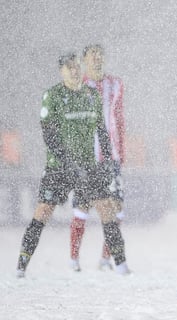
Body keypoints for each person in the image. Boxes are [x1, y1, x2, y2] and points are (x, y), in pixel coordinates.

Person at [15, 52, 130, 278]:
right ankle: (21, 265)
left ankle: (121, 265)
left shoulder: (91, 95)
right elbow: (49, 134)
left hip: (88, 167)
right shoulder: (53, 95)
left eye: (76, 66)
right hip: (59, 167)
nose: (74, 71)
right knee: (42, 212)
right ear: (62, 71)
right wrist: (67, 162)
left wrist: (106, 161)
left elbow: (102, 132)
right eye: (69, 68)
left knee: (108, 209)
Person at [69, 44, 126, 272]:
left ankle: (105, 259)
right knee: (83, 206)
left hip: (110, 157)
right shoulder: (77, 86)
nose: (97, 60)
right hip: (86, 158)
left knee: (117, 207)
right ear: (84, 61)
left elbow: (119, 117)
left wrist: (121, 152)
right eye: (92, 57)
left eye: (100, 55)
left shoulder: (116, 84)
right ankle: (74, 259)